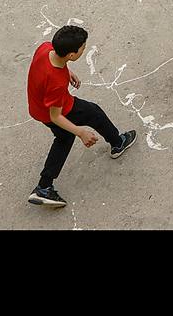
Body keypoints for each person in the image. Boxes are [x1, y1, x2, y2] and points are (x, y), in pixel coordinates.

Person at [25, 25, 136, 208]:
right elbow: (56, 116)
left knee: (63, 138)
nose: (84, 49)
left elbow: (52, 66)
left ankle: (44, 187)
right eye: (82, 48)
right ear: (71, 55)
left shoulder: (46, 48)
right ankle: (118, 143)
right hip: (56, 110)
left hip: (37, 107)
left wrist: (66, 71)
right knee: (94, 113)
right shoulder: (56, 82)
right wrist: (81, 132)